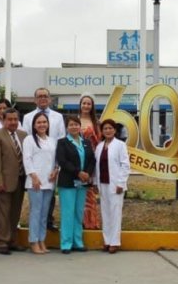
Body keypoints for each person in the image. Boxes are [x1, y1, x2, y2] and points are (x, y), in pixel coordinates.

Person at [24, 87, 66, 229]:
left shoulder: (58, 117)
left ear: (50, 99)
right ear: (35, 99)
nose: (42, 98)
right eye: (39, 96)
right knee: (36, 203)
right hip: (35, 164)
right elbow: (27, 142)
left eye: (45, 96)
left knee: (49, 196)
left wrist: (57, 167)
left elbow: (61, 143)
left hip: (51, 163)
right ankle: (37, 232)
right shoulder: (28, 117)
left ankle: (48, 221)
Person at [0, 108, 28, 255]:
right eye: (10, 119)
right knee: (3, 212)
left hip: (20, 179)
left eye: (15, 119)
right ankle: (2, 242)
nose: (13, 122)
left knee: (15, 213)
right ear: (4, 120)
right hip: (4, 181)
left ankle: (12, 240)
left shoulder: (23, 135)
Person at [56, 115, 96, 254]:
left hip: (83, 183)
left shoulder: (86, 142)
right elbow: (62, 161)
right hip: (68, 182)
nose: (74, 127)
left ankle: (78, 242)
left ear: (80, 126)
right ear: (67, 127)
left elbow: (92, 160)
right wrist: (78, 172)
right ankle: (66, 243)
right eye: (71, 125)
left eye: (76, 124)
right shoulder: (62, 142)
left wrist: (87, 173)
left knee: (79, 213)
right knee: (68, 213)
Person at [24, 112, 58, 254]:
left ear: (48, 124)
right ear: (34, 125)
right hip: (35, 182)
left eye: (44, 122)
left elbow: (56, 160)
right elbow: (27, 159)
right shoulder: (29, 140)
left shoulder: (52, 140)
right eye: (39, 122)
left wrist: (56, 170)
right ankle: (33, 241)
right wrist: (34, 177)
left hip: (49, 182)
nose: (42, 125)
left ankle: (41, 240)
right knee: (36, 212)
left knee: (45, 214)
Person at [94, 120, 130, 253]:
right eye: (105, 129)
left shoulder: (120, 145)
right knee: (105, 213)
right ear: (102, 131)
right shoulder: (99, 146)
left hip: (116, 185)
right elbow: (97, 166)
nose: (108, 130)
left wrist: (121, 183)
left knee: (115, 213)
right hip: (102, 184)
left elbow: (125, 165)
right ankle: (107, 241)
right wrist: (95, 183)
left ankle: (115, 242)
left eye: (110, 128)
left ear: (115, 130)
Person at [78, 94, 102, 230]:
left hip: (91, 162)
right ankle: (79, 222)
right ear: (80, 105)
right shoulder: (75, 120)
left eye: (89, 104)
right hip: (77, 162)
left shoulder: (96, 123)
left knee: (90, 193)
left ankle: (91, 223)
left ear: (92, 106)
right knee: (79, 193)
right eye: (84, 103)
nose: (86, 106)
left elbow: (98, 143)